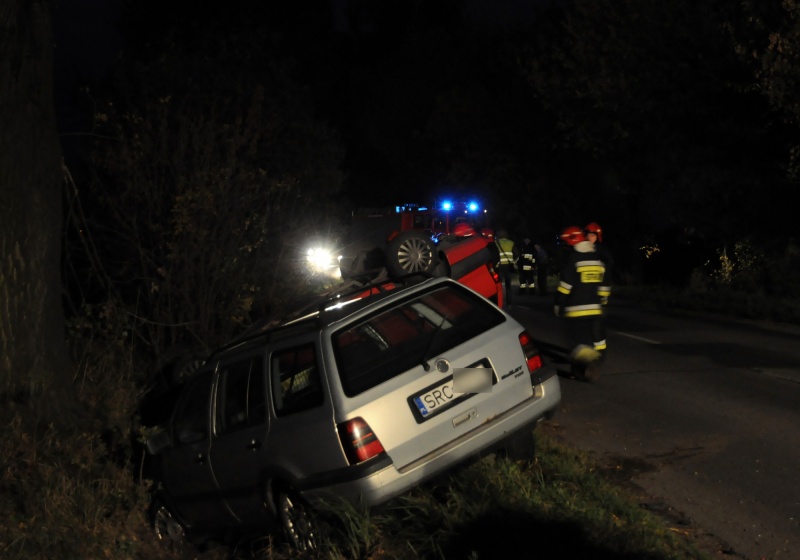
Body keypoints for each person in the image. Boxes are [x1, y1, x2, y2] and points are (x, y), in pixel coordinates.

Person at [554, 226, 608, 382]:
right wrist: (602, 302)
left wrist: (558, 303)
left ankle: (590, 361)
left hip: (576, 309)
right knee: (585, 341)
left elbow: (566, 286)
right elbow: (603, 284)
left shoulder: (574, 259)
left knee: (577, 344)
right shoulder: (596, 258)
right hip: (595, 308)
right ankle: (578, 372)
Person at [494, 230, 519, 305]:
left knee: (499, 285)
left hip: (499, 266)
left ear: (498, 236)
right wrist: (514, 262)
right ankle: (509, 304)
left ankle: (499, 303)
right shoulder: (511, 243)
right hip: (508, 266)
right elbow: (517, 254)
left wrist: (496, 264)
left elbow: (494, 255)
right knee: (508, 286)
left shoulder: (496, 243)